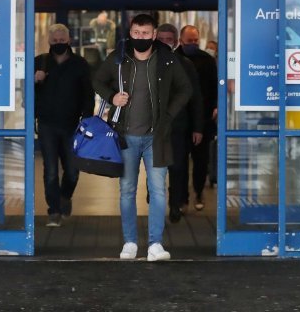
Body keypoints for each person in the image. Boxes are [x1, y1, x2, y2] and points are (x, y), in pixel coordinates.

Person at [93, 14, 193, 261]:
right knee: (127, 190)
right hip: (125, 137)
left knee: (158, 190)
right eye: (136, 33)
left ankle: (155, 244)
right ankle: (130, 242)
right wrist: (112, 97)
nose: (140, 37)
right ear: (130, 32)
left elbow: (185, 89)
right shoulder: (118, 57)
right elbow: (97, 80)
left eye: (145, 33)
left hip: (156, 138)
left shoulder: (167, 59)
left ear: (154, 34)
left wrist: (168, 115)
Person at [35, 23, 94, 227]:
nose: (58, 43)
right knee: (50, 170)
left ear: (69, 40)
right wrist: (34, 81)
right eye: (55, 41)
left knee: (72, 170)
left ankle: (65, 196)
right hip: (47, 124)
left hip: (73, 125)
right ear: (49, 41)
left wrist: (87, 119)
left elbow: (88, 94)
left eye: (62, 40)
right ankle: (54, 211)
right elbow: (27, 94)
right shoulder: (40, 62)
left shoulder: (80, 64)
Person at [156, 23, 204, 223]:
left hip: (178, 125)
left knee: (177, 167)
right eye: (161, 39)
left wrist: (198, 127)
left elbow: (196, 98)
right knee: (155, 167)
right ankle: (154, 196)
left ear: (176, 42)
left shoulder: (185, 65)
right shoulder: (143, 63)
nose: (164, 43)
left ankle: (175, 204)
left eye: (168, 40)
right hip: (151, 127)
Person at [176, 25, 218, 211]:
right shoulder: (173, 60)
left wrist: (216, 106)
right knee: (180, 163)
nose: (193, 44)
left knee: (201, 160)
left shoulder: (206, 60)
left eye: (195, 40)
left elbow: (215, 87)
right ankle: (182, 198)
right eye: (189, 41)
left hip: (204, 118)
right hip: (180, 119)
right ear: (181, 40)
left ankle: (199, 192)